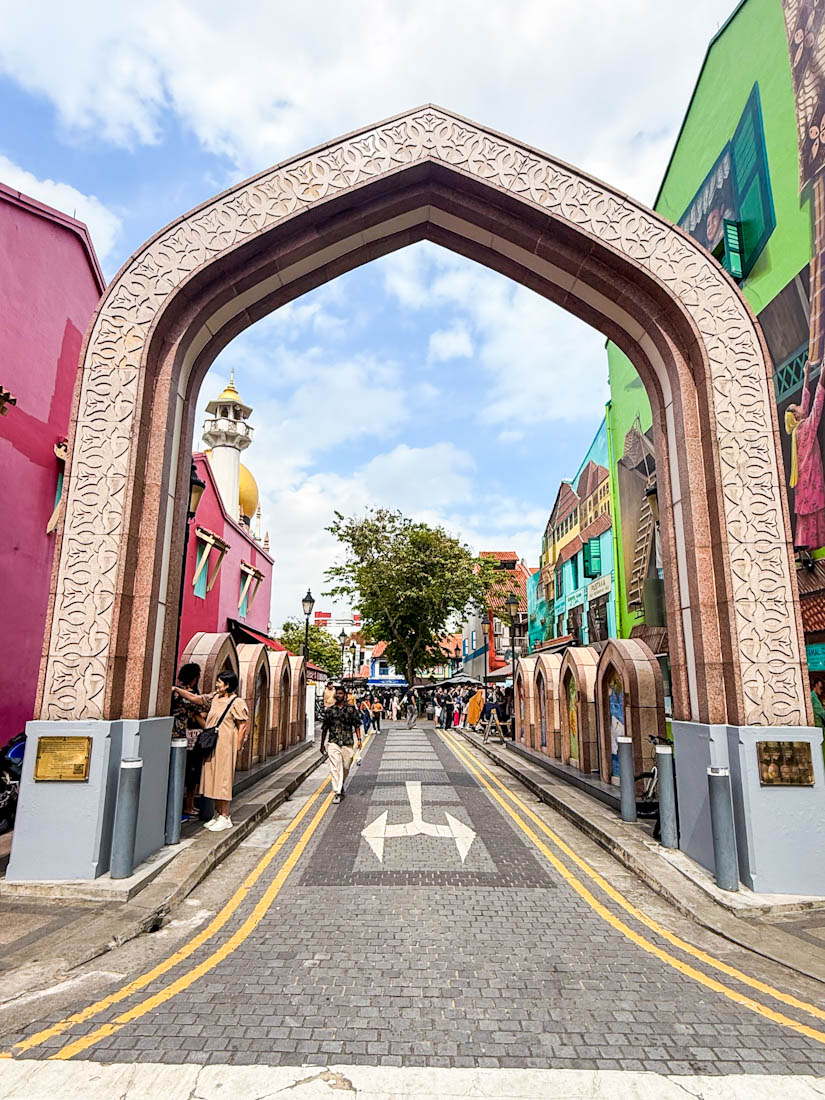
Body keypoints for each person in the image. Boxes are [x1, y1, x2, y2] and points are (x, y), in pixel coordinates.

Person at [173, 670, 248, 832]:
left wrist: (239, 745)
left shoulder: (237, 702)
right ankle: (218, 813)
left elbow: (242, 726)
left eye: (219, 682)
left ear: (227, 685)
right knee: (212, 776)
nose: (216, 684)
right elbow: (196, 699)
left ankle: (225, 816)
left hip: (226, 742)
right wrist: (177, 690)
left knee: (223, 778)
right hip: (212, 742)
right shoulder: (214, 698)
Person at [785, 360, 825, 550]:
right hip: (811, 482)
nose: (801, 406)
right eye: (797, 407)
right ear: (797, 416)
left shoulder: (797, 432)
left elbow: (807, 401)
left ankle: (805, 549)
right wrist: (823, 375)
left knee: (805, 522)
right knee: (816, 518)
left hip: (803, 486)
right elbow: (817, 403)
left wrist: (807, 375)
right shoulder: (806, 428)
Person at [170, 662, 207, 818]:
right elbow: (201, 712)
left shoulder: (175, 692)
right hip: (187, 738)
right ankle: (188, 806)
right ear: (195, 678)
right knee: (191, 773)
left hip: (171, 735)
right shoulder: (189, 694)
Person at [321, 685, 362, 803]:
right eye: (337, 693)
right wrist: (322, 744)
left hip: (347, 742)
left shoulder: (351, 709)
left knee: (346, 766)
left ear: (344, 696)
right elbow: (325, 728)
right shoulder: (330, 711)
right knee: (335, 767)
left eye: (340, 693)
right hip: (333, 742)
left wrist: (359, 740)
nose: (338, 695)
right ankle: (337, 792)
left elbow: (357, 725)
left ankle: (340, 783)